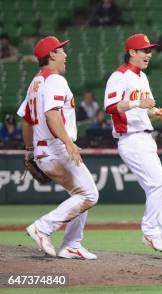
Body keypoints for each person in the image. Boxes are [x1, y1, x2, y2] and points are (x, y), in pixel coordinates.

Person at [104, 33, 162, 255]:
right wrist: (139, 102)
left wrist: (159, 112)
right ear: (132, 53)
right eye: (144, 50)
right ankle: (150, 231)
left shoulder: (142, 78)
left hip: (145, 136)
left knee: (157, 189)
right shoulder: (119, 76)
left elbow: (145, 108)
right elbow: (110, 106)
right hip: (130, 138)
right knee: (159, 184)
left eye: (150, 50)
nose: (149, 54)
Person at [17, 36, 99, 260]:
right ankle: (42, 228)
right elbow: (52, 116)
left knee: (80, 193)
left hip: (44, 149)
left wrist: (29, 150)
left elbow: (25, 121)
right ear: (51, 55)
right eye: (61, 50)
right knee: (90, 194)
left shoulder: (36, 82)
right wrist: (69, 143)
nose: (65, 54)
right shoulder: (55, 80)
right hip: (56, 148)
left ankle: (71, 244)